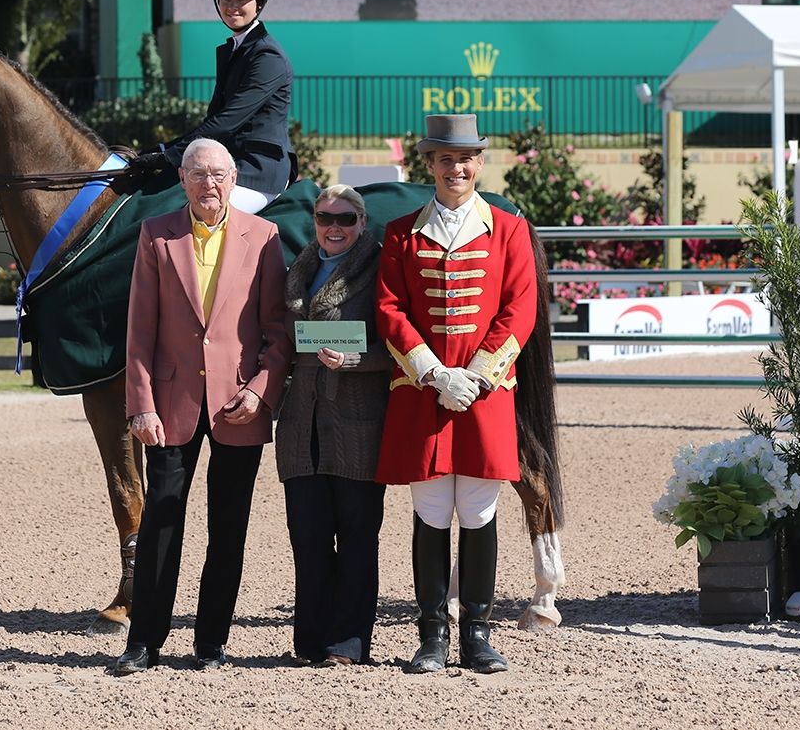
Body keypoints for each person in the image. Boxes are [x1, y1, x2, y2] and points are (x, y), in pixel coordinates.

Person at [112, 138, 291, 675]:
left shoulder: (264, 238)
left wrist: (261, 389)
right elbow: (139, 330)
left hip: (239, 403)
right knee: (163, 521)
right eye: (198, 174)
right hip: (171, 403)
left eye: (219, 174)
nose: (209, 184)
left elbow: (278, 331)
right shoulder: (155, 235)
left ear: (233, 180)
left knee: (228, 526)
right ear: (183, 180)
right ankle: (143, 642)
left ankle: (211, 643)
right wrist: (140, 404)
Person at [375, 114, 538, 675]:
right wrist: (434, 373)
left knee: (478, 510)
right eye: (446, 159)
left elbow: (520, 309)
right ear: (430, 165)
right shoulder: (399, 233)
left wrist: (477, 376)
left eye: (466, 158)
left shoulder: (510, 229)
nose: (457, 168)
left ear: (480, 163)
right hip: (424, 393)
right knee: (431, 512)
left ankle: (477, 634)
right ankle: (431, 636)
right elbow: (389, 309)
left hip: (485, 394)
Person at [276, 185, 390, 666]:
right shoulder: (297, 269)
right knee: (308, 537)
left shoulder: (382, 269)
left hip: (358, 421)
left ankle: (347, 642)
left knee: (359, 537)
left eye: (345, 218)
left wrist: (354, 360)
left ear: (362, 222)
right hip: (303, 423)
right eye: (325, 218)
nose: (334, 226)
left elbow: (397, 349)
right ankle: (310, 640)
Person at [127, 0, 294, 214]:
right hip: (225, 164)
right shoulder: (236, 50)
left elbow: (227, 122)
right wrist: (157, 150)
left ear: (259, 2)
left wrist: (169, 156)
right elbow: (214, 121)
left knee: (196, 210)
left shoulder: (267, 57)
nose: (232, 7)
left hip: (257, 171)